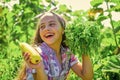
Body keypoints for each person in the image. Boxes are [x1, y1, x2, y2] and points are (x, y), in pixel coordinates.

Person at [17, 10, 93, 80]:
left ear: (63, 30)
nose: (46, 29)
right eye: (42, 26)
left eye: (52, 24)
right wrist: (39, 67)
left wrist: (84, 49)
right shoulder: (37, 55)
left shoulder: (67, 53)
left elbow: (87, 76)